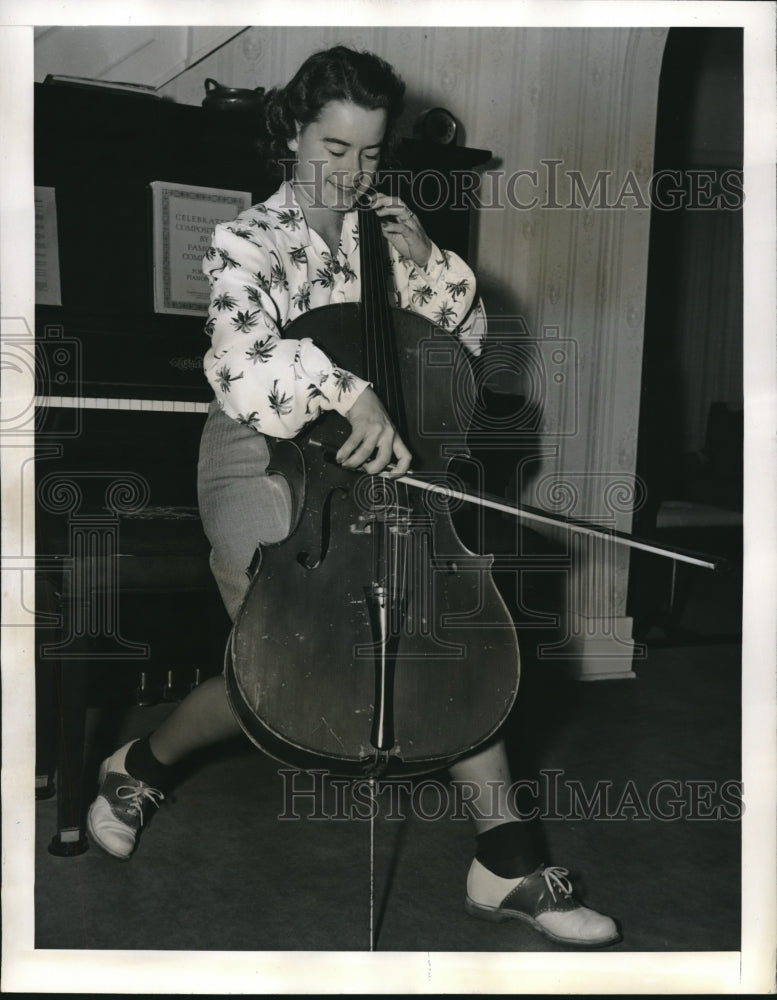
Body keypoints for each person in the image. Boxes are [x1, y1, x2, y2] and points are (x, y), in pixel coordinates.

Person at [86, 45, 618, 949]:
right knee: (288, 667)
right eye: (333, 151)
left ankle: (506, 861)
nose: (349, 175)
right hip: (262, 452)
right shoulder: (245, 241)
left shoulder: (386, 227)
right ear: (291, 132)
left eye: (369, 155)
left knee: (438, 629)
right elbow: (246, 363)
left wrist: (433, 271)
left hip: (387, 461)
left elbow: (459, 351)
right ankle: (139, 765)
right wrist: (345, 390)